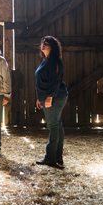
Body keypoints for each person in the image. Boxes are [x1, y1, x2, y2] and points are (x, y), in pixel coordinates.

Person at [34, 35, 68, 169]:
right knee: (57, 125)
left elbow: (55, 82)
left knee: (53, 126)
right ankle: (58, 157)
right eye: (42, 43)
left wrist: (49, 97)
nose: (43, 45)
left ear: (53, 47)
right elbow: (42, 82)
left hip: (55, 97)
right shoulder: (46, 61)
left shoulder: (54, 62)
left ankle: (50, 158)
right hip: (49, 97)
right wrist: (39, 97)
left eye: (47, 44)